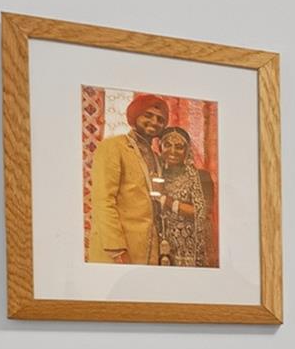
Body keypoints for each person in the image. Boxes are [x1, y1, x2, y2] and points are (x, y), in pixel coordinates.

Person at [85, 93, 168, 263]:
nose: (154, 122)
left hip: (147, 250)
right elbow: (103, 200)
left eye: (160, 119)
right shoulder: (113, 146)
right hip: (118, 251)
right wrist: (116, 250)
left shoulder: (155, 156)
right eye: (148, 115)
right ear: (135, 116)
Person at [154, 127, 215, 267]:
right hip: (162, 248)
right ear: (160, 147)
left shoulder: (201, 177)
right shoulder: (157, 174)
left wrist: (165, 199)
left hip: (190, 250)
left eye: (179, 147)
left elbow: (201, 212)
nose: (172, 151)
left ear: (187, 151)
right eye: (167, 145)